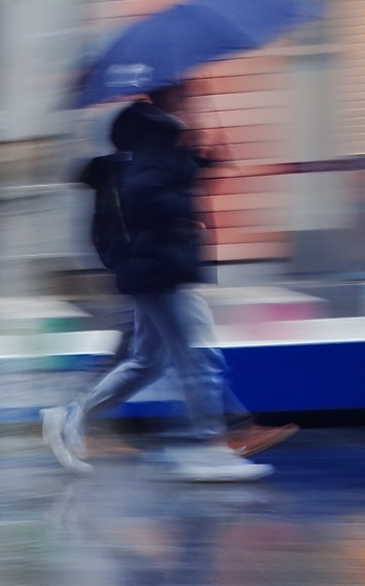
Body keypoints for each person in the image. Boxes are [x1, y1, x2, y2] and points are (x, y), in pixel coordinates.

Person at [43, 83, 277, 481]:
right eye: (186, 97)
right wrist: (182, 212)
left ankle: (70, 415)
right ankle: (207, 448)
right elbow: (143, 195)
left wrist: (204, 164)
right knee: (198, 357)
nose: (191, 103)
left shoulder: (157, 138)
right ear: (171, 98)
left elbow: (166, 182)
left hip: (155, 265)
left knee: (147, 361)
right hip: (158, 265)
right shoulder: (155, 136)